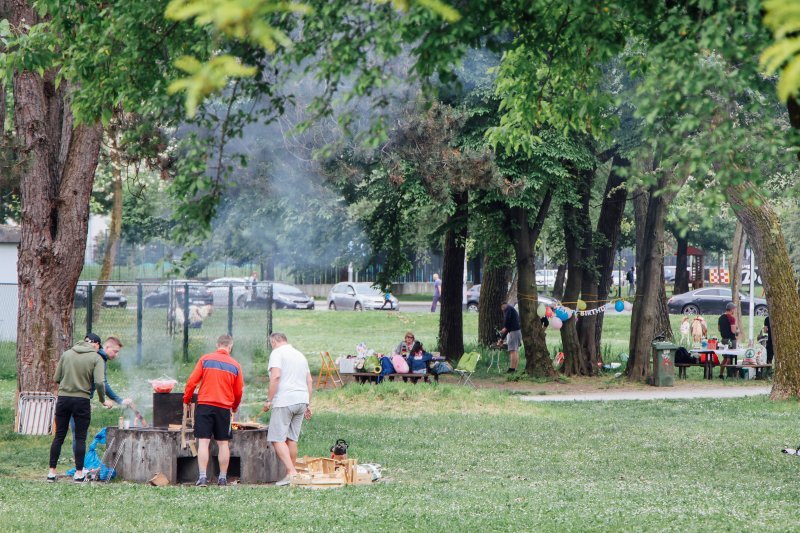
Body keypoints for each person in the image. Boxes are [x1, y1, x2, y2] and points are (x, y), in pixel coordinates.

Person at [49, 333, 113, 483]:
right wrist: (103, 400)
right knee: (80, 437)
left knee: (59, 436)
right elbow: (99, 382)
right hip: (82, 400)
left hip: (63, 399)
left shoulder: (66, 354)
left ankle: (51, 472)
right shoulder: (96, 358)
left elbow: (56, 378)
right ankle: (79, 473)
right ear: (96, 345)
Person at [184, 334, 243, 487]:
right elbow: (238, 392)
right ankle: (222, 478)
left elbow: (191, 382)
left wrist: (187, 399)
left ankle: (202, 478)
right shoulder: (235, 365)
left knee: (203, 442)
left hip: (205, 405)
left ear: (217, 345)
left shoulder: (205, 359)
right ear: (230, 347)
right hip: (224, 408)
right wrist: (234, 407)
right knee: (223, 444)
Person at [263, 332, 313, 487]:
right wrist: (308, 404)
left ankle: (292, 472)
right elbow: (309, 380)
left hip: (285, 400)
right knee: (291, 438)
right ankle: (290, 475)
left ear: (274, 341)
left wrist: (269, 400)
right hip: (301, 400)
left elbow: (276, 376)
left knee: (277, 439)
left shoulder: (277, 353)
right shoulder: (299, 355)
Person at [71, 336, 134, 457]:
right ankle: (80, 468)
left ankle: (60, 469)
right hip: (81, 399)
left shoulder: (89, 355)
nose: (116, 355)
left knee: (73, 434)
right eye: (115, 351)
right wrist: (118, 400)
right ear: (107, 346)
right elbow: (102, 383)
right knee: (79, 435)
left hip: (68, 396)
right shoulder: (99, 358)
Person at [718, 302, 740, 378]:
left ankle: (721, 374)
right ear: (731, 310)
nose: (734, 310)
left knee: (725, 358)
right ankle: (730, 374)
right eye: (734, 309)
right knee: (730, 358)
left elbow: (719, 329)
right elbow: (733, 331)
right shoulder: (731, 318)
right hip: (731, 340)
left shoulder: (720, 317)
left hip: (724, 340)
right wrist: (737, 329)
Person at [499, 302, 522, 373]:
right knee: (515, 351)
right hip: (517, 331)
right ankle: (514, 368)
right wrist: (502, 339)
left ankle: (511, 369)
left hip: (513, 332)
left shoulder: (508, 308)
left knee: (512, 351)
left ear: (503, 305)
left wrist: (505, 327)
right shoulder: (511, 309)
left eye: (502, 308)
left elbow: (507, 321)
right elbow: (508, 327)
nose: (503, 310)